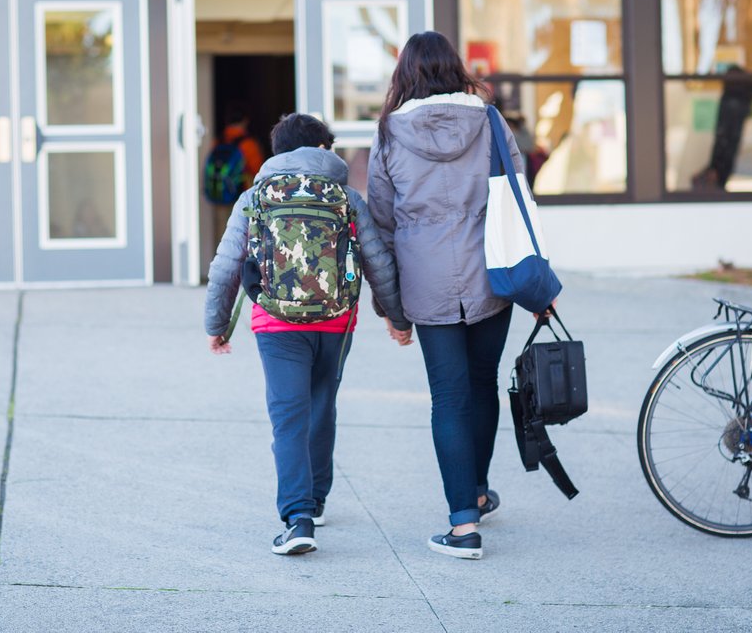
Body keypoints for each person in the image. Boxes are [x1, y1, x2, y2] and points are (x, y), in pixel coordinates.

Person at [204, 113, 412, 556]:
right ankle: (315, 500)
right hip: (336, 322)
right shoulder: (346, 197)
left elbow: (225, 267)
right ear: (323, 148)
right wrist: (395, 316)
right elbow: (378, 262)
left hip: (276, 323)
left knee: (288, 415)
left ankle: (297, 518)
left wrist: (217, 325)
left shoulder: (255, 197)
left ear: (278, 151)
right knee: (321, 403)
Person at [367, 31, 532, 560]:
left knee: (449, 397)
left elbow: (381, 222)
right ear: (454, 67)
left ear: (406, 75)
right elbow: (519, 189)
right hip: (492, 272)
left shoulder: (390, 132)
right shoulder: (487, 120)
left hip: (425, 279)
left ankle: (463, 523)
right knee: (482, 384)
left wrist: (391, 307)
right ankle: (477, 493)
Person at [691, 66, 752, 190]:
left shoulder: (733, 102)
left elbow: (725, 138)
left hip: (734, 166)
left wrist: (714, 167)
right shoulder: (747, 99)